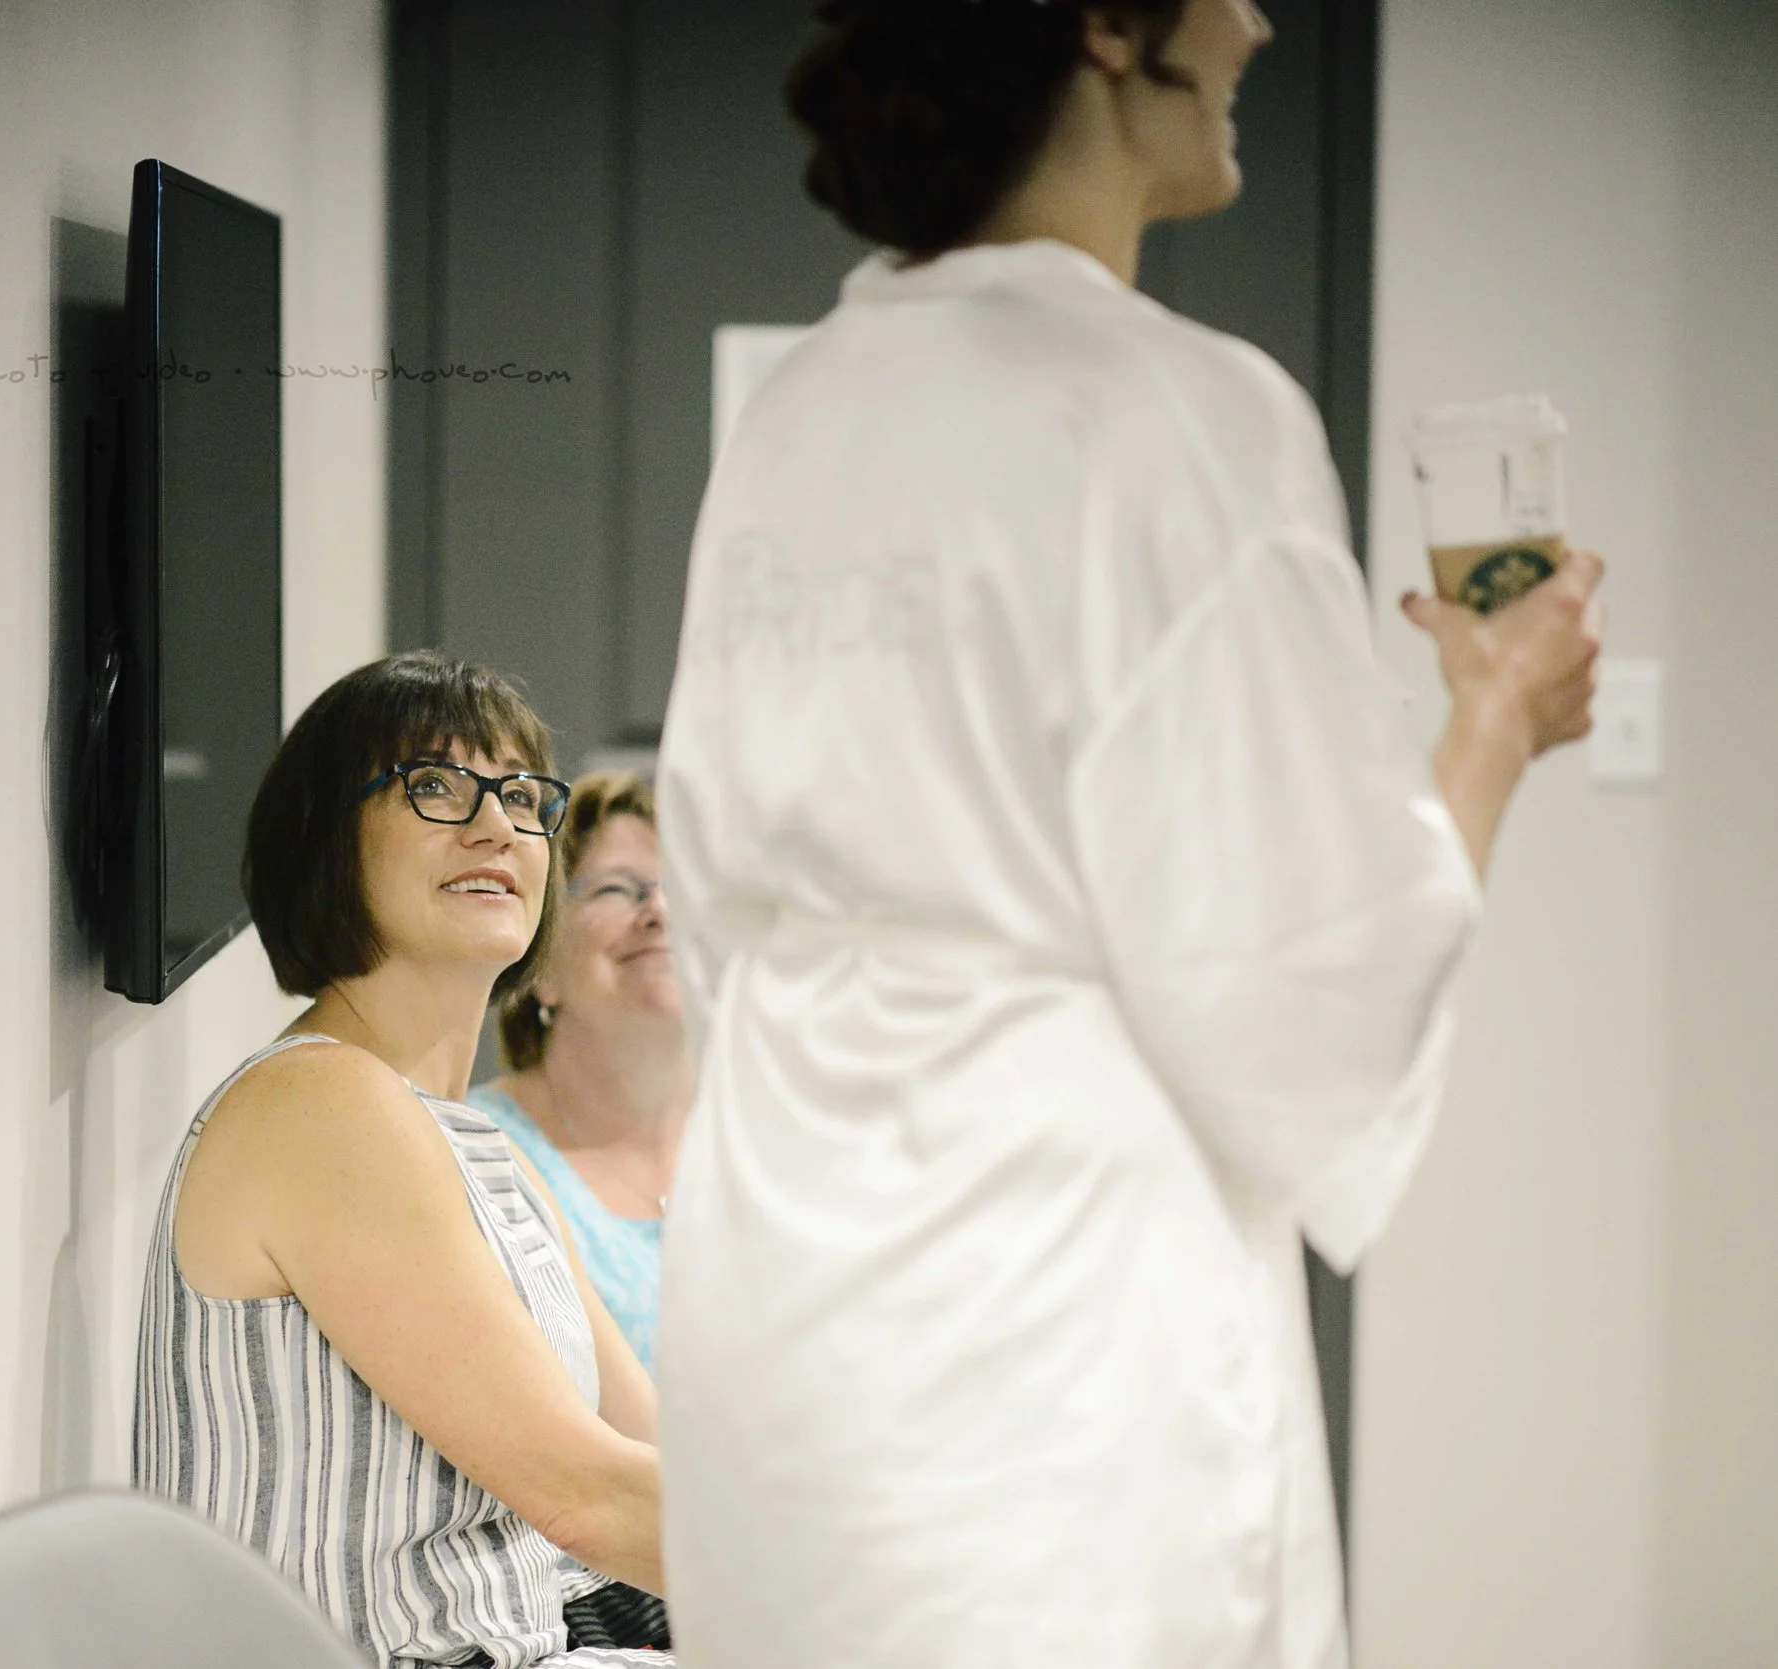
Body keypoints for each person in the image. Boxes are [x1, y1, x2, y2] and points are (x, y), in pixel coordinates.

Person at [651, 3, 1605, 1667]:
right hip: (1051, 1330)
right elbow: (1317, 979)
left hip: (782, 1289)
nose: (1255, 22)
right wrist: (1497, 717)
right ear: (1107, 25)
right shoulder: (1180, 411)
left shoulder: (802, 404)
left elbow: (714, 892)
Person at [132, 650, 674, 1668]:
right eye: (435, 784)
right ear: (325, 840)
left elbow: (656, 1449)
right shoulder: (320, 1102)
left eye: (522, 795)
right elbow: (587, 1495)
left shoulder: (478, 1146)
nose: (496, 825)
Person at [470, 773, 690, 1371]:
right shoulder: (480, 1155)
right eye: (617, 889)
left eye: (684, 889)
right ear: (541, 964)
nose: (660, 911)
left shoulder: (774, 1144)